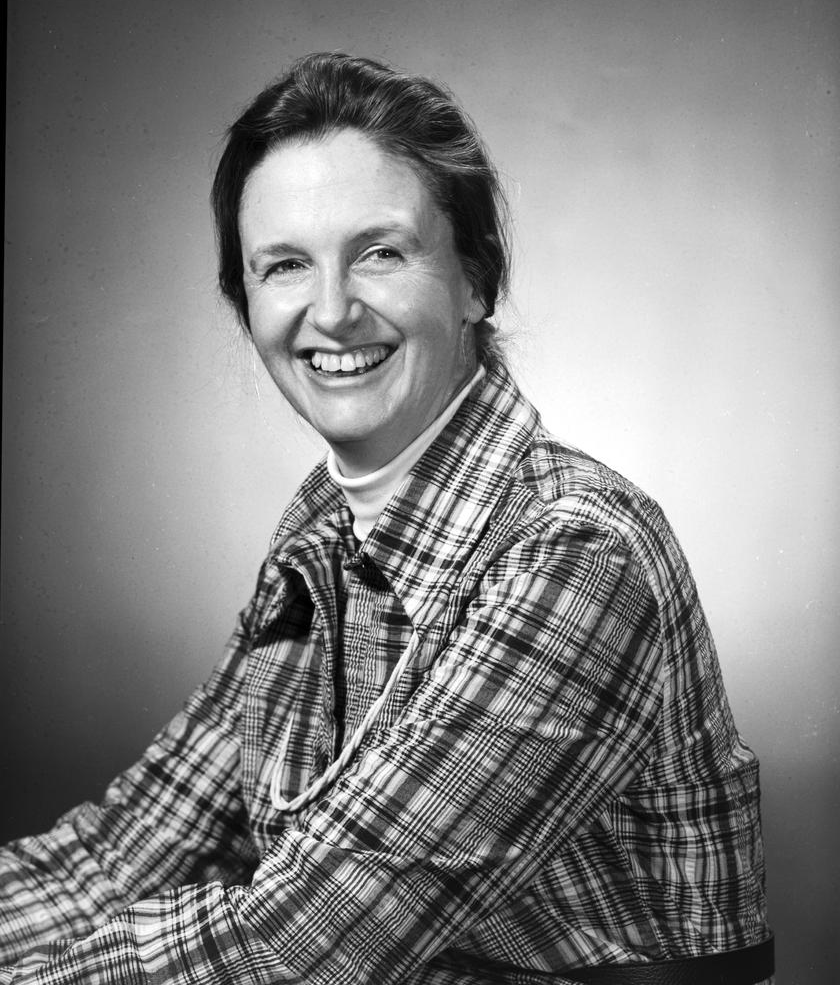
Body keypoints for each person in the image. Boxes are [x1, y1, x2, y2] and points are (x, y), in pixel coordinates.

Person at [0, 53, 772, 985]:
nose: (330, 311)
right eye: (284, 266)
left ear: (475, 281)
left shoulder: (577, 550)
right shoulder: (322, 538)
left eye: (380, 252)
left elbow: (303, 945)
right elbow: (130, 853)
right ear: (246, 305)